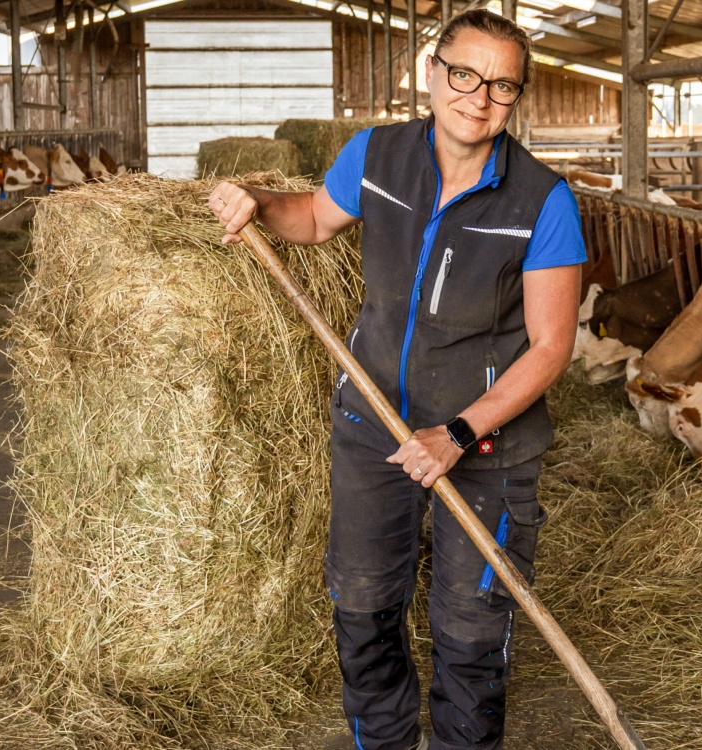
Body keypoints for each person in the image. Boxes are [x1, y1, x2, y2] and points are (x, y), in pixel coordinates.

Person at [208, 9, 584, 750]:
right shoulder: (375, 156)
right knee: (363, 607)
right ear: (432, 72)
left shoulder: (543, 201)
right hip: (371, 426)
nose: (478, 97)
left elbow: (549, 348)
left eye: (502, 86)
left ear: (517, 98)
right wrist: (260, 202)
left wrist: (457, 432)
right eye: (464, 74)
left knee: (472, 630)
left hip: (483, 449)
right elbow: (313, 219)